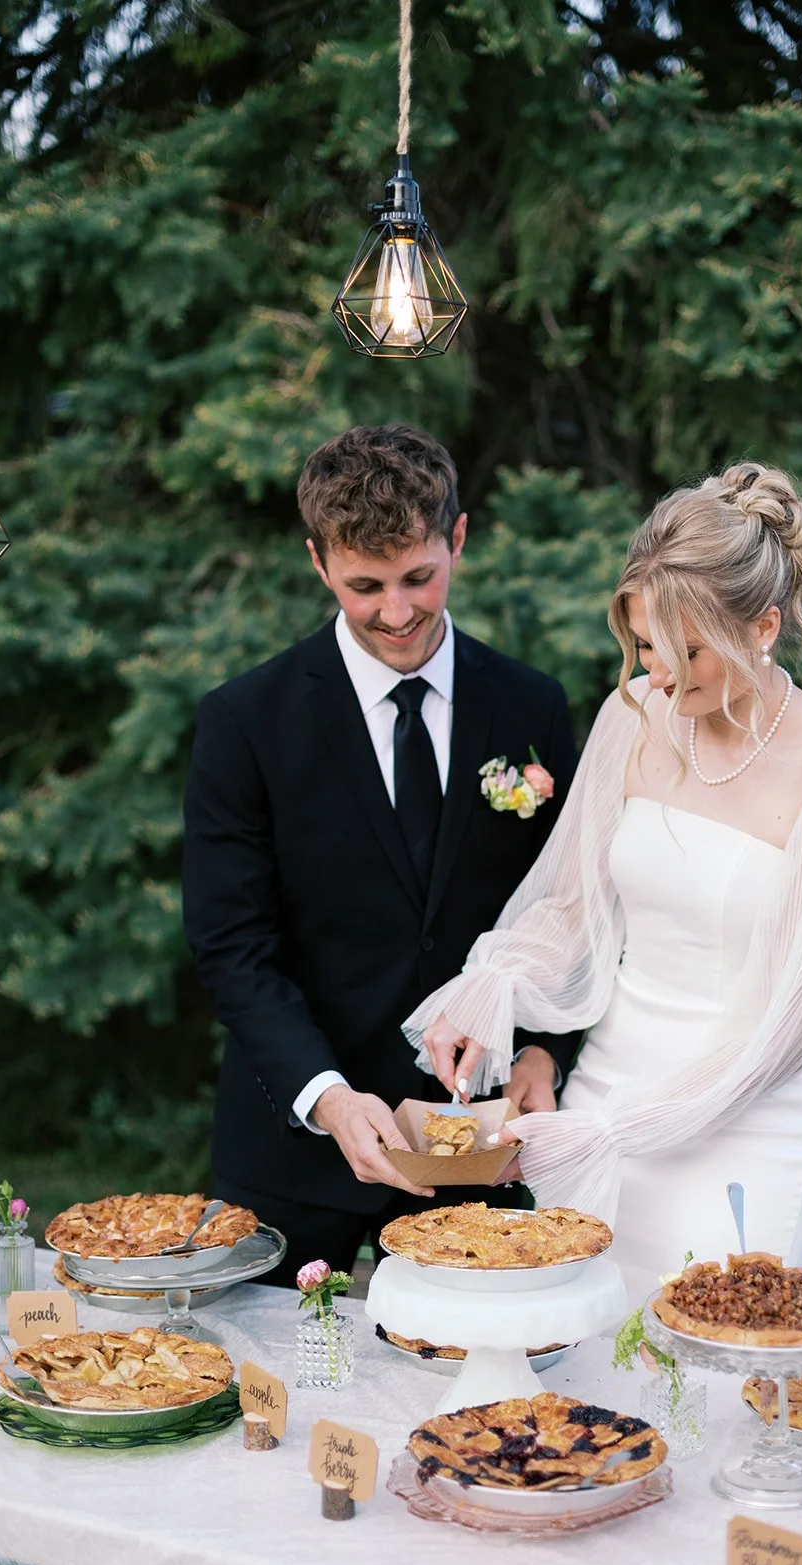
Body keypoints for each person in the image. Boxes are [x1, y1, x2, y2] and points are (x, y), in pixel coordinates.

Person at [406, 463, 802, 1304]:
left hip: (745, 1121)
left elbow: (779, 1031)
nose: (660, 675)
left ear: (763, 627)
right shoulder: (632, 716)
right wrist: (492, 984)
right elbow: (572, 905)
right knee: (579, 1371)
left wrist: (609, 1130)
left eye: (685, 650)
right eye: (643, 646)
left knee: (707, 1367)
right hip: (607, 1079)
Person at [182, 423, 579, 1285]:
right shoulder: (244, 723)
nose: (396, 613)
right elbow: (232, 947)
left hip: (481, 1147)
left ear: (458, 539)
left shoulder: (532, 706)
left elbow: (569, 908)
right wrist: (325, 1097)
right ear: (319, 561)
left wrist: (547, 1051)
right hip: (291, 1152)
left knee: (485, 1408)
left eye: (418, 578)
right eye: (365, 586)